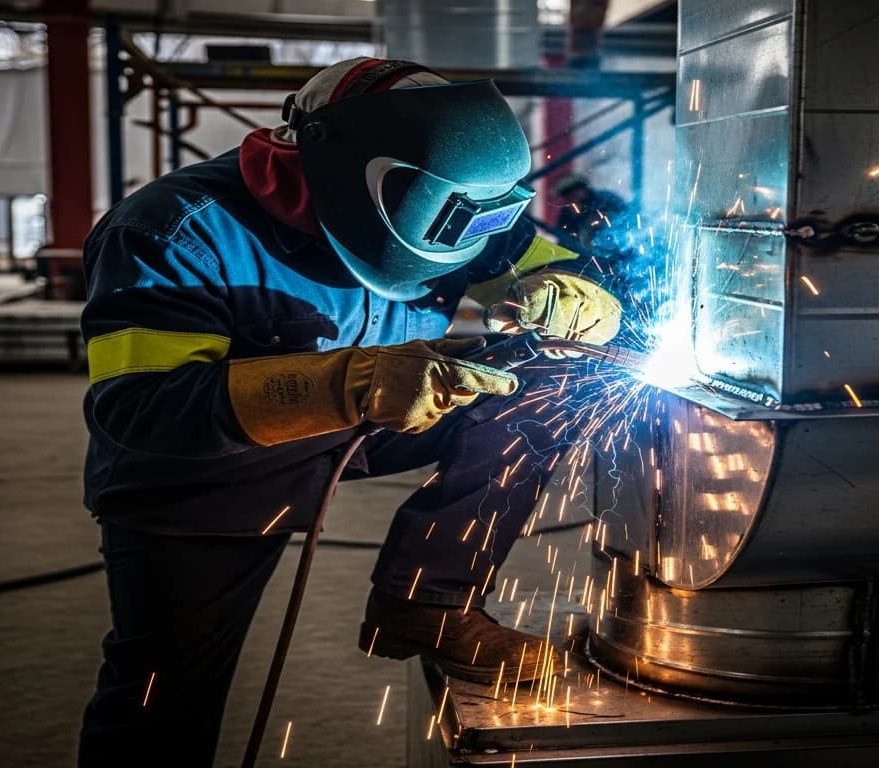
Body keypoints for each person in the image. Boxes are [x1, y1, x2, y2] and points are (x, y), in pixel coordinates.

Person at [77, 58, 622, 766]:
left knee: (550, 376)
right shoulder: (175, 229)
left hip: (373, 416)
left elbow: (554, 263)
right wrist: (343, 383)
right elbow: (143, 409)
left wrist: (576, 293)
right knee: (162, 699)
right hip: (202, 473)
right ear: (342, 177)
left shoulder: (460, 200)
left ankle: (430, 599)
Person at [554, 172, 628, 250]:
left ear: (584, 188)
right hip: (585, 256)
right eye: (566, 193)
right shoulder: (566, 214)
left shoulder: (605, 200)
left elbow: (624, 220)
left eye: (574, 190)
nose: (572, 196)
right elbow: (564, 240)